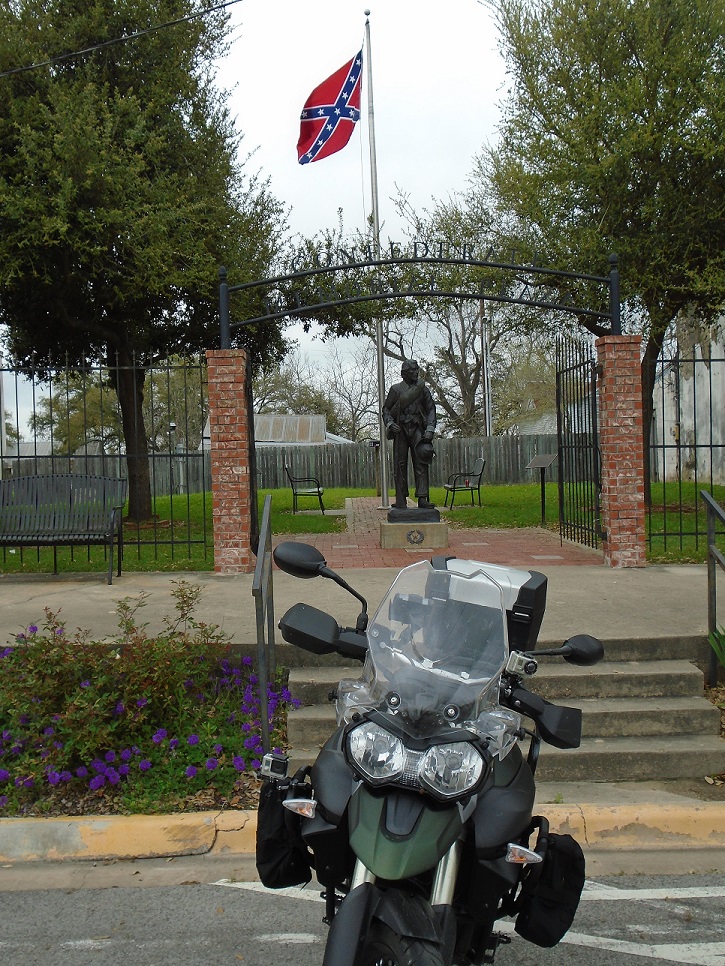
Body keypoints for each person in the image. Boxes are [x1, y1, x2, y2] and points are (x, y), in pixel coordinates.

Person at [383, 359, 437, 509]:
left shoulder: (422, 389)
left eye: (416, 369)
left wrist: (430, 429)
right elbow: (386, 410)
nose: (416, 372)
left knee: (421, 464)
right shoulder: (395, 390)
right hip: (400, 431)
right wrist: (389, 423)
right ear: (404, 374)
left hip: (418, 429)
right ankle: (401, 499)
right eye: (412, 370)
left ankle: (422, 498)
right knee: (399, 465)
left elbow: (431, 409)